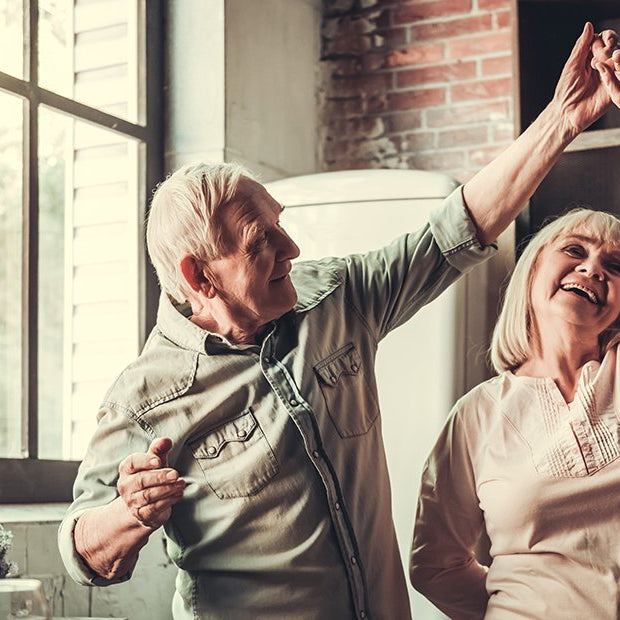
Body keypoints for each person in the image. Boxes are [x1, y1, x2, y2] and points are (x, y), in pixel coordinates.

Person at [58, 23, 620, 620]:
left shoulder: (335, 297)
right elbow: (84, 555)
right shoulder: (144, 397)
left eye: (281, 223)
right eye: (262, 242)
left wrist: (563, 118)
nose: (292, 249)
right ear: (201, 277)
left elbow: (455, 231)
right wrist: (128, 513)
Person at [410, 206, 620, 619]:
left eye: (615, 265)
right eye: (575, 250)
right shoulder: (476, 414)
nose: (594, 269)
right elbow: (435, 566)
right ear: (534, 266)